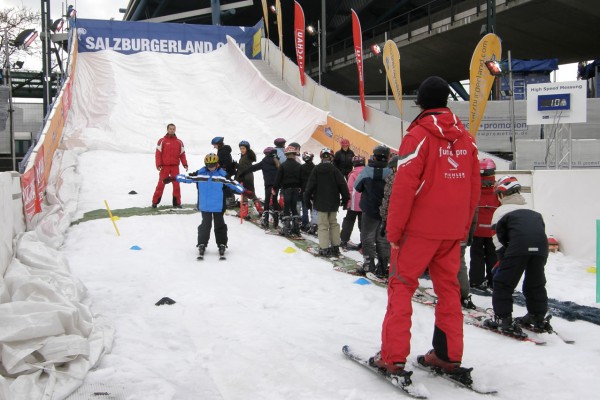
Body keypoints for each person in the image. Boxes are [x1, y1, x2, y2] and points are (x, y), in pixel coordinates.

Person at [372, 76, 479, 382]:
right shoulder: (466, 138)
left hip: (417, 232)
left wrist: (393, 232)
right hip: (450, 233)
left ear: (419, 101)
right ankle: (447, 356)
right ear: (447, 100)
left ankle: (392, 358)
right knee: (449, 292)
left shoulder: (418, 135)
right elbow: (473, 187)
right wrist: (462, 227)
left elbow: (404, 188)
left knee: (401, 289)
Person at [483, 176, 550, 335]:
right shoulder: (533, 211)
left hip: (517, 248)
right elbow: (539, 232)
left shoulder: (500, 211)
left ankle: (502, 319)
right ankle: (537, 317)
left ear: (501, 195)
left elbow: (497, 238)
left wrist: (502, 260)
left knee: (502, 283)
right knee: (535, 283)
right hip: (541, 248)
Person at [176, 153, 244, 258]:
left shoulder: (222, 175)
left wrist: (244, 190)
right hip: (205, 205)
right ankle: (202, 243)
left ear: (217, 164)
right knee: (205, 225)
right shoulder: (201, 174)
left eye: (212, 165)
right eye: (208, 166)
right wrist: (175, 177)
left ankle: (222, 243)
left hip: (218, 206)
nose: (211, 168)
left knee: (220, 225)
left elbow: (233, 183)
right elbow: (188, 177)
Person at [354, 145, 393, 275]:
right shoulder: (391, 172)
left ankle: (368, 264)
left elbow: (357, 187)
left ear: (374, 156)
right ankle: (383, 266)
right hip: (385, 210)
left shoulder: (366, 171)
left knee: (367, 237)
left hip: (369, 209)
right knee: (382, 239)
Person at [304, 147, 350, 256]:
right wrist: (345, 199)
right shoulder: (335, 170)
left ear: (321, 157)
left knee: (323, 225)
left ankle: (324, 248)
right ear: (331, 158)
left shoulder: (316, 170)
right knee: (333, 224)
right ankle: (335, 247)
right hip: (333, 202)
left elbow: (310, 186)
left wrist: (307, 200)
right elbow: (343, 185)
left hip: (320, 202)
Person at [469, 158, 500, 291]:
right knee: (493, 256)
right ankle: (493, 281)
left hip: (476, 229)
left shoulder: (472, 186)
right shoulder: (498, 188)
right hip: (493, 230)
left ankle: (476, 281)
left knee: (476, 256)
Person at [237, 147, 281, 228]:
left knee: (267, 201)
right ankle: (276, 222)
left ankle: (265, 221)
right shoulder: (277, 161)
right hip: (276, 185)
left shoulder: (264, 161)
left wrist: (243, 173)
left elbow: (253, 168)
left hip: (268, 184)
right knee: (275, 201)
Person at [152, 123, 188, 208]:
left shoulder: (179, 142)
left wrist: (185, 164)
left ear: (175, 130)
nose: (172, 130)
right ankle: (155, 202)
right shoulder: (162, 141)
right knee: (161, 184)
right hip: (165, 167)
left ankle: (177, 203)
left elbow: (182, 154)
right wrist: (158, 164)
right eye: (170, 129)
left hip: (175, 167)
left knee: (176, 185)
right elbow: (158, 154)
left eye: (173, 129)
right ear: (167, 130)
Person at [273, 145, 303, 236]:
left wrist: (274, 188)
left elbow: (278, 178)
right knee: (294, 207)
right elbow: (302, 178)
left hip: (286, 189)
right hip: (296, 189)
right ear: (294, 155)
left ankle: (286, 228)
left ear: (286, 155)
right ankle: (296, 228)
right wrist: (301, 187)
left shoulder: (283, 166)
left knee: (286, 207)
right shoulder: (299, 166)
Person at [340, 155, 365, 250]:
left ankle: (344, 240)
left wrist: (347, 201)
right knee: (363, 223)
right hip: (364, 203)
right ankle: (364, 243)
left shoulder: (353, 174)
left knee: (349, 221)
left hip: (354, 203)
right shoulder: (367, 172)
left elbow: (349, 189)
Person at [235, 140, 262, 216]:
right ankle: (259, 209)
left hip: (245, 176)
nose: (242, 150)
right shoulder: (248, 156)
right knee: (251, 192)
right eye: (241, 148)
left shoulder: (245, 157)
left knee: (244, 193)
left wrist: (236, 165)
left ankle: (244, 212)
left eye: (243, 148)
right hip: (249, 176)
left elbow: (243, 169)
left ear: (247, 148)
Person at [212, 136, 237, 208]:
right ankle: (228, 198)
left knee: (226, 184)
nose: (214, 147)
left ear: (218, 144)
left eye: (214, 145)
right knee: (225, 184)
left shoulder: (223, 150)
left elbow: (227, 161)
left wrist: (223, 167)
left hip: (227, 171)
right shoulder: (222, 149)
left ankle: (229, 200)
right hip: (226, 170)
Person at [300, 151, 317, 232]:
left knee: (305, 206)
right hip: (313, 190)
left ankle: (304, 223)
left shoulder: (301, 167)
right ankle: (314, 224)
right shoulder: (315, 167)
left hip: (304, 189)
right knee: (313, 208)